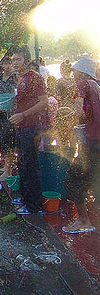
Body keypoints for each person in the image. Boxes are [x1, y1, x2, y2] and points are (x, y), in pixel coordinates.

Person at [9, 46, 48, 215]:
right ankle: (25, 197)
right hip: (20, 127)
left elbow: (44, 102)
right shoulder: (20, 78)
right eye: (12, 60)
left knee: (31, 166)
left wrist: (23, 115)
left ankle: (34, 206)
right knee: (22, 164)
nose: (14, 63)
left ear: (26, 60)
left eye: (17, 60)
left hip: (31, 127)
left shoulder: (34, 77)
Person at [63, 57, 99, 234]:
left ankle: (84, 220)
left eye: (75, 70)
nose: (73, 73)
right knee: (91, 178)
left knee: (73, 179)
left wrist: (74, 120)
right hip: (97, 140)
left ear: (82, 72)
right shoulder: (96, 85)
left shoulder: (83, 83)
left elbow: (79, 112)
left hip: (92, 141)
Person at [0, 57, 17, 181]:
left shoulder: (15, 77)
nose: (8, 66)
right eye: (5, 64)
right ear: (1, 65)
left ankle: (8, 170)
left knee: (10, 140)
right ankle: (5, 166)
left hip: (13, 113)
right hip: (1, 112)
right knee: (2, 140)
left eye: (10, 63)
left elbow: (18, 93)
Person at [56, 60, 77, 151]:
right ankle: (72, 155)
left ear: (61, 70)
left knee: (62, 135)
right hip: (72, 110)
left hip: (62, 111)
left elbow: (57, 96)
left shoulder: (59, 82)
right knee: (72, 133)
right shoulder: (74, 81)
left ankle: (64, 157)